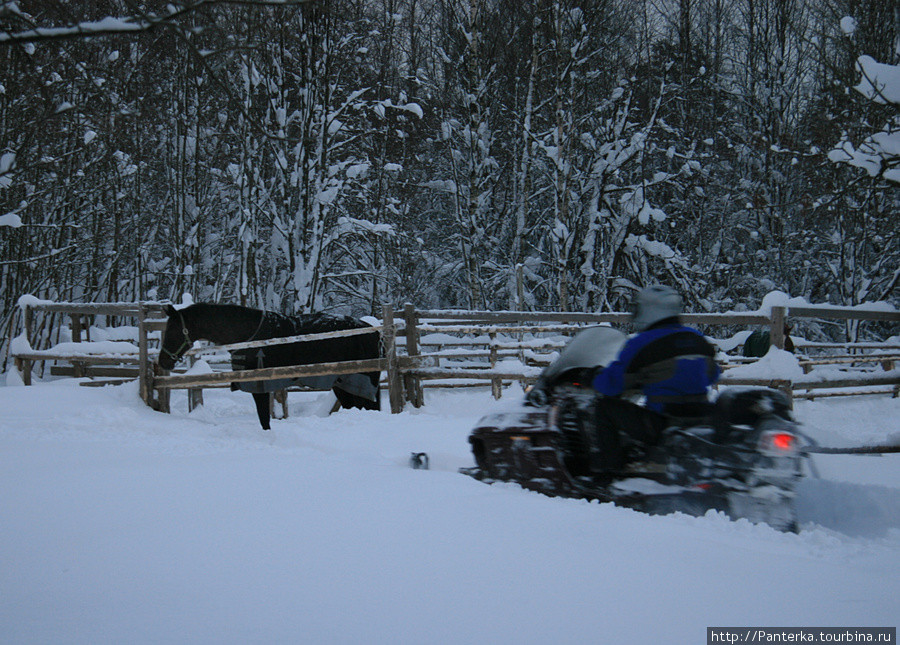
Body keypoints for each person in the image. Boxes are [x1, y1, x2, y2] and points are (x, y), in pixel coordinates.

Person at [587, 285, 720, 475]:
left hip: (663, 423)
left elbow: (611, 385)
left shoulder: (643, 343)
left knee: (604, 408)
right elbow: (712, 374)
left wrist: (592, 377)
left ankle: (609, 472)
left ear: (649, 310)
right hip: (701, 419)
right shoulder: (697, 339)